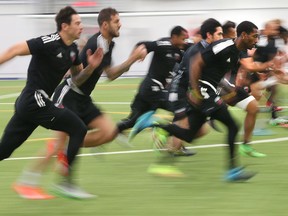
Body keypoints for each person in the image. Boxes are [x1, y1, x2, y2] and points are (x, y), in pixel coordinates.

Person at [13, 7, 146, 199]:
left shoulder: (109, 45)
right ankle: (34, 181)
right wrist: (132, 58)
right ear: (105, 24)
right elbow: (76, 79)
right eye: (117, 21)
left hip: (83, 98)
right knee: (59, 143)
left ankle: (67, 150)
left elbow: (110, 74)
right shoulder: (95, 44)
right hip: (68, 95)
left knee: (108, 132)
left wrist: (131, 60)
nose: (120, 24)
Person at [131, 21, 275, 181]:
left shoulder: (236, 54)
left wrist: (228, 95)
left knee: (189, 134)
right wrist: (195, 89)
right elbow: (196, 62)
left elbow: (223, 79)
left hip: (210, 92)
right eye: (255, 36)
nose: (256, 41)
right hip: (204, 92)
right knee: (233, 125)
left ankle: (151, 123)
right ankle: (233, 171)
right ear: (243, 35)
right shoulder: (224, 46)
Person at [0, 6, 104, 199]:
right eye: (78, 23)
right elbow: (14, 49)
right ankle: (65, 183)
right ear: (65, 26)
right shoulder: (48, 41)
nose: (82, 26)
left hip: (32, 105)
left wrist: (91, 68)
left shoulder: (73, 50)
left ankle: (60, 181)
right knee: (78, 128)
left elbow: (77, 78)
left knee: (3, 151)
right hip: (33, 99)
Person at [149, 18, 224, 176]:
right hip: (180, 92)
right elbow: (192, 75)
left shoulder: (209, 51)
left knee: (201, 130)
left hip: (190, 92)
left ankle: (164, 131)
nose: (222, 37)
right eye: (219, 34)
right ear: (209, 35)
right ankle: (165, 164)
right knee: (182, 127)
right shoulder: (197, 51)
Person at [117, 26, 190, 145]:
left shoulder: (179, 49)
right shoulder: (164, 44)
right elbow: (143, 44)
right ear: (174, 37)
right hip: (152, 88)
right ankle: (164, 134)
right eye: (183, 39)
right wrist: (135, 57)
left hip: (150, 89)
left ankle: (112, 132)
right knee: (179, 110)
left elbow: (192, 48)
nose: (185, 42)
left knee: (133, 120)